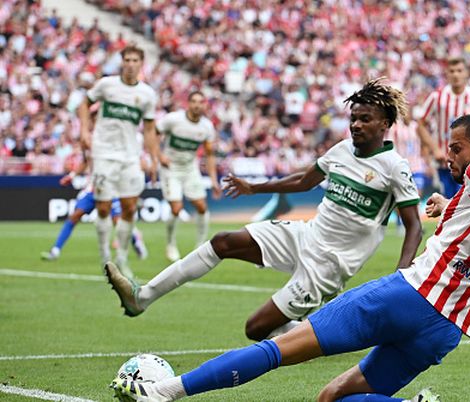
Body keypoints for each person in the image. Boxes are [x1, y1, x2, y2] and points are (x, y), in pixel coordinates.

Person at [110, 114, 470, 402]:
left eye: (457, 149)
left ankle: (165, 393)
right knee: (332, 398)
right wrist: (448, 206)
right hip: (447, 329)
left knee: (280, 348)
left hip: (408, 297)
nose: (450, 157)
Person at [104, 78, 423, 341]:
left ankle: (316, 336)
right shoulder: (341, 150)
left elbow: (413, 226)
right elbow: (303, 181)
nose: (355, 125)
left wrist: (401, 275)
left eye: (364, 119)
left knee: (256, 329)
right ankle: (140, 298)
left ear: (385, 124)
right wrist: (254, 187)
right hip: (304, 235)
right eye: (353, 117)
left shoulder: (394, 168)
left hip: (328, 265)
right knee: (223, 242)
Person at [78, 44, 160, 278]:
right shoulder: (107, 85)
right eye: (127, 60)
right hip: (103, 153)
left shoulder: (147, 94)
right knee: (103, 208)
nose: (131, 64)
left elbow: (150, 128)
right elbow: (84, 103)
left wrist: (153, 158)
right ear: (121, 62)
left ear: (141, 64)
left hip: (130, 156)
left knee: (129, 208)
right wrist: (84, 131)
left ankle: (122, 258)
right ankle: (105, 256)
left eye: (136, 60)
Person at [417, 56, 470, 198]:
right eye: (452, 71)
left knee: (466, 205)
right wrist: (435, 149)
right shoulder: (437, 97)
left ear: (466, 73)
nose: (456, 75)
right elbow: (421, 125)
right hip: (444, 160)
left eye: (459, 71)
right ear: (447, 73)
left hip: (469, 162)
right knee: (448, 203)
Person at [156, 91, 221, 262]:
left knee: (201, 206)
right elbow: (152, 133)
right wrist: (158, 155)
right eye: (194, 101)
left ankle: (200, 246)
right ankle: (170, 244)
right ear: (188, 103)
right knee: (176, 209)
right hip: (170, 167)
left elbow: (209, 154)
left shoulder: (207, 127)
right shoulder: (173, 119)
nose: (197, 105)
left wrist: (214, 180)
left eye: (201, 102)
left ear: (205, 105)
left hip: (190, 168)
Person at [40, 162, 148, 261]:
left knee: (118, 222)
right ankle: (55, 250)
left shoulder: (111, 145)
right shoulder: (89, 143)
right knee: (74, 216)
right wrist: (72, 176)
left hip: (110, 189)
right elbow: (85, 160)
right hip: (92, 190)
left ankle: (136, 240)